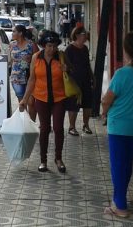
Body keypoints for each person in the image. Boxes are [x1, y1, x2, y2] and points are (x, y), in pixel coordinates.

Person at [100, 31, 133, 218]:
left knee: (118, 166)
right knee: (127, 164)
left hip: (118, 126)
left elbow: (107, 100)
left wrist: (103, 112)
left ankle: (120, 206)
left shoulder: (122, 74)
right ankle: (118, 201)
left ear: (126, 50)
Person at [19, 30, 69, 173]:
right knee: (44, 129)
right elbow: (32, 80)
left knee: (59, 128)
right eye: (48, 46)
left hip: (59, 98)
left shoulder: (61, 57)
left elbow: (72, 74)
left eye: (54, 46)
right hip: (41, 98)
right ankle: (43, 161)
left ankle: (58, 159)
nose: (51, 49)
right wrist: (24, 99)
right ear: (43, 46)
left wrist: (67, 70)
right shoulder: (36, 57)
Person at [65, 27, 95, 135]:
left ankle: (86, 125)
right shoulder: (70, 49)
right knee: (73, 104)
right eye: (84, 34)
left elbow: (87, 65)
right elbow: (66, 66)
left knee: (88, 104)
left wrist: (93, 77)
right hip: (74, 81)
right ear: (77, 35)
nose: (86, 36)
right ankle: (71, 127)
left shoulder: (85, 48)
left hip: (86, 79)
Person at [9, 25, 38, 120]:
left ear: (20, 33)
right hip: (16, 78)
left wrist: (30, 60)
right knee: (22, 102)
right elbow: (10, 60)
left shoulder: (31, 44)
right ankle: (25, 123)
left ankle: (32, 123)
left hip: (30, 76)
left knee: (31, 102)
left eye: (14, 32)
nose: (12, 34)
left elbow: (38, 58)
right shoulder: (12, 45)